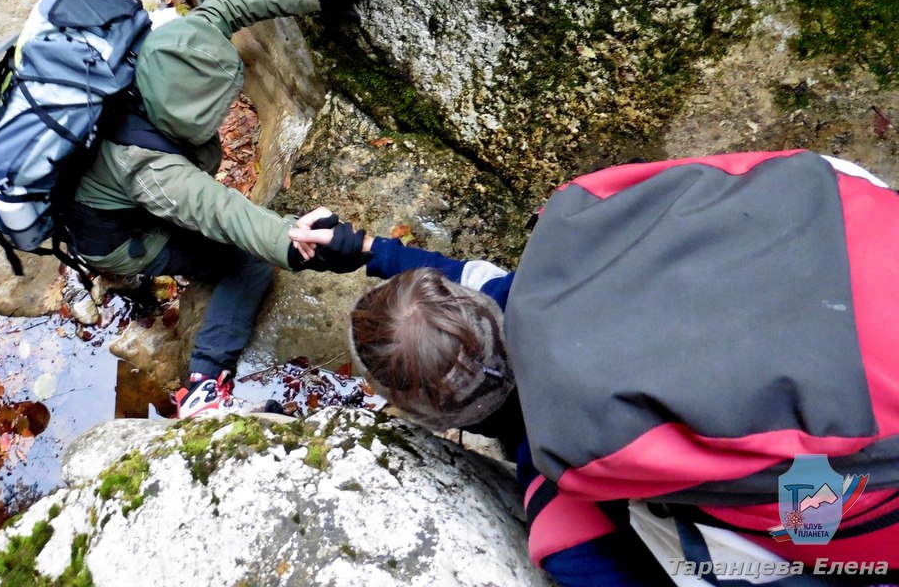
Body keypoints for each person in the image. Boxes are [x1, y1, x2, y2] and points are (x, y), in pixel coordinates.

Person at [291, 152, 899, 586]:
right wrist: (368, 249)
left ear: (431, 415)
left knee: (702, 549)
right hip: (853, 233)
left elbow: (593, 565)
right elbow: (487, 285)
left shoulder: (561, 487)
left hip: (873, 450)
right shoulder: (571, 234)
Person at [66, 0, 372, 418]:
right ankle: (205, 382)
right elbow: (222, 212)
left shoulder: (170, 48)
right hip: (112, 234)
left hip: (101, 183)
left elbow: (237, 3)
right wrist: (299, 246)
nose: (230, 108)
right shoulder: (152, 168)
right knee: (246, 265)